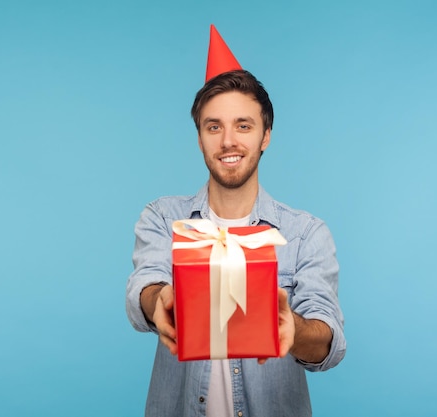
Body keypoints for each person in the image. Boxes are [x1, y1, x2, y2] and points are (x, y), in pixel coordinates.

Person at [125, 25, 345, 417]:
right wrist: (160, 300)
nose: (229, 141)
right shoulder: (163, 217)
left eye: (243, 125)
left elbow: (328, 339)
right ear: (200, 138)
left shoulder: (306, 234)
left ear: (265, 137)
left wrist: (292, 328)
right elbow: (146, 283)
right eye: (214, 126)